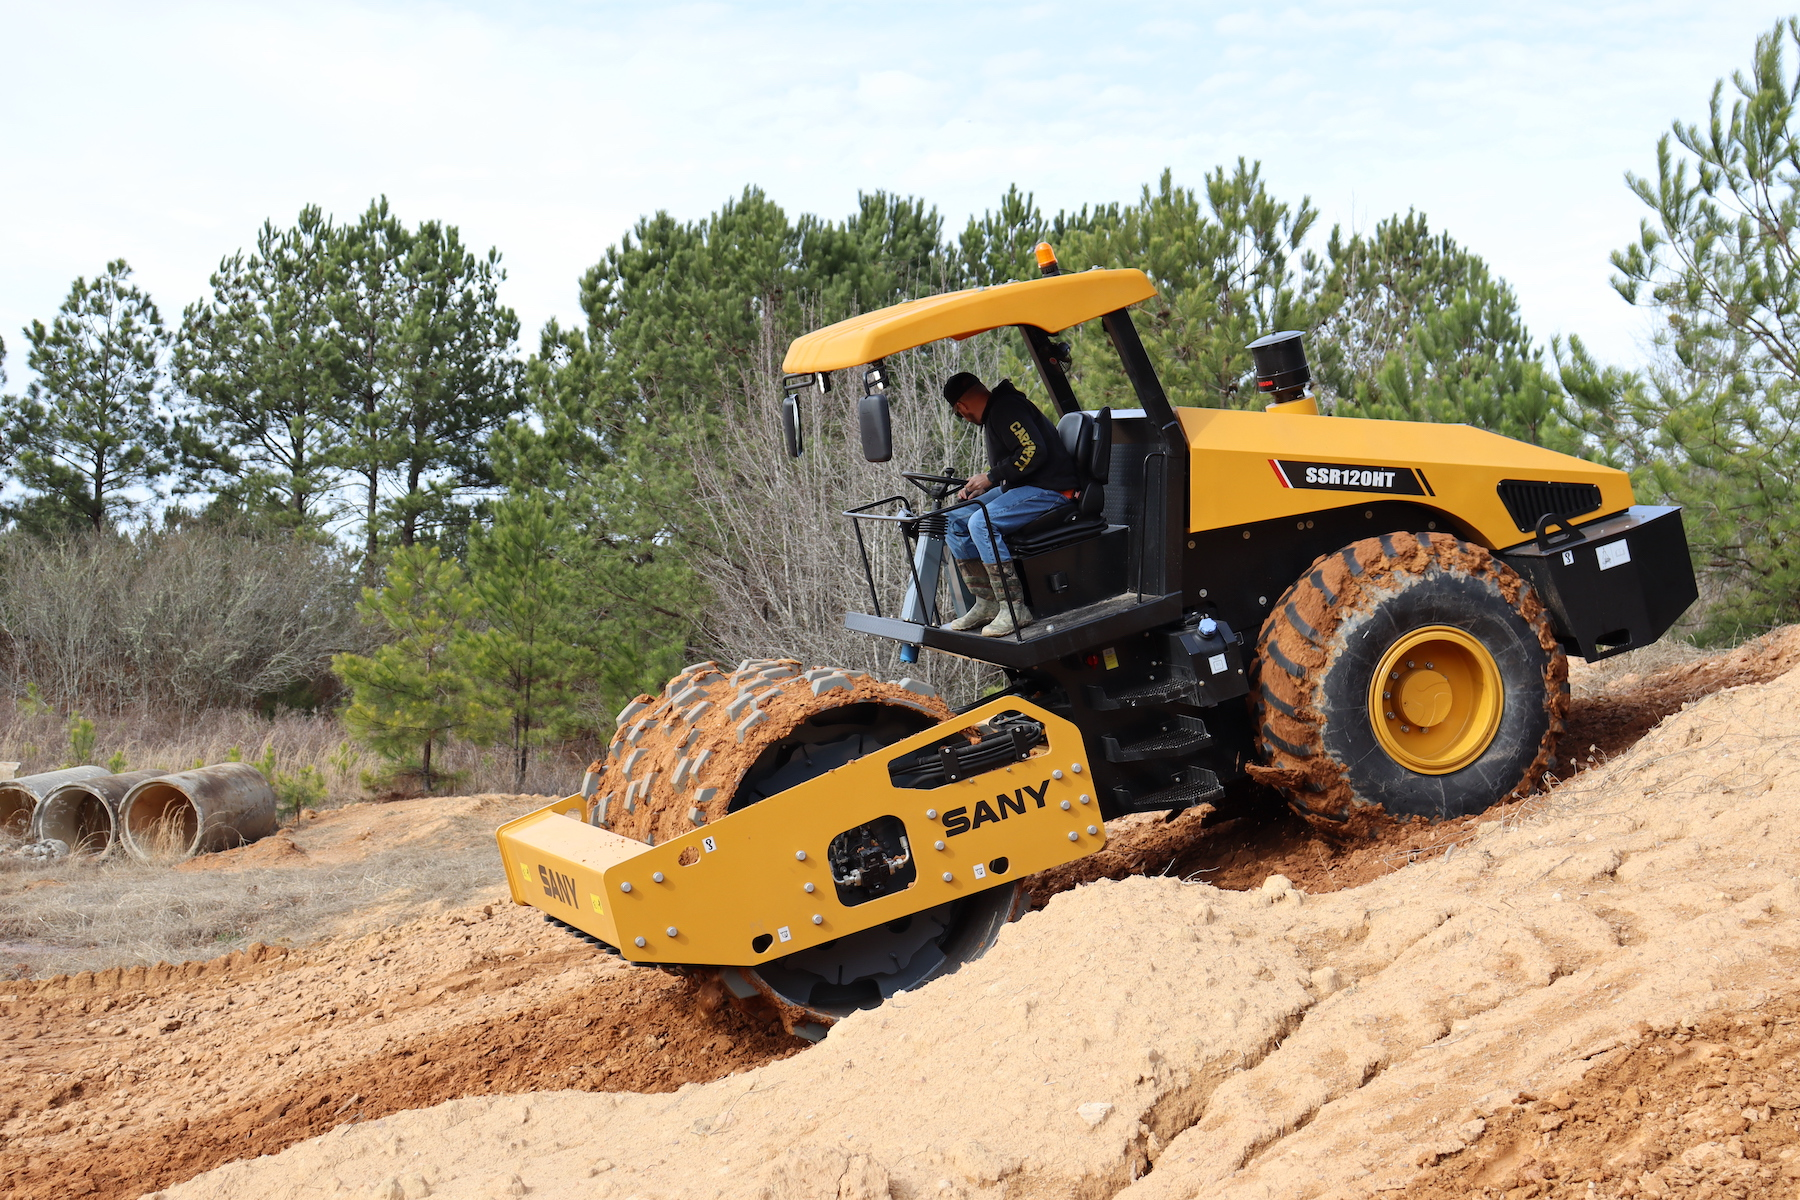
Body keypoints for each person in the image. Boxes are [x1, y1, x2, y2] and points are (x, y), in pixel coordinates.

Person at [938, 371, 1079, 636]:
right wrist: (984, 482)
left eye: (960, 415)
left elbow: (1033, 451)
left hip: (1051, 489)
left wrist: (991, 477)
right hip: (1022, 487)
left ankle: (1014, 608)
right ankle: (987, 602)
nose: (965, 418)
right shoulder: (998, 412)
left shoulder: (1006, 408)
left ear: (962, 407)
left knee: (981, 522)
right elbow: (1020, 457)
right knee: (954, 519)